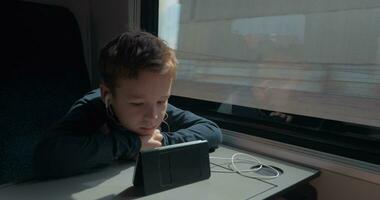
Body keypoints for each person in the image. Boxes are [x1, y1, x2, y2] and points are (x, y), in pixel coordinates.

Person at [34, 31, 222, 179]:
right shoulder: (92, 106)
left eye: (162, 101)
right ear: (108, 95)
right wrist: (134, 144)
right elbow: (48, 155)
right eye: (137, 103)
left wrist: (162, 142)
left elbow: (211, 130)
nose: (153, 116)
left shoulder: (153, 104)